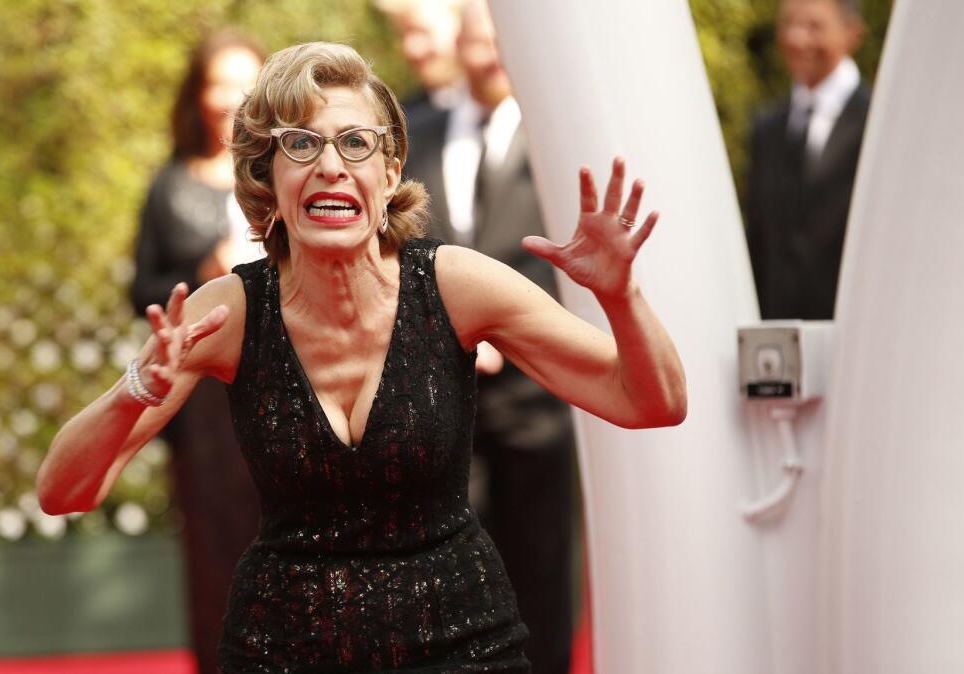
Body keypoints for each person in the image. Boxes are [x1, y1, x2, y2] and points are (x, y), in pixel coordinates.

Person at [38, 41, 686, 671]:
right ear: (269, 176)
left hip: (462, 647)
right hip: (282, 652)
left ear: (390, 171)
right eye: (300, 143)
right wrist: (136, 388)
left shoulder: (456, 286)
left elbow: (652, 402)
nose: (331, 165)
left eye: (355, 143)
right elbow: (63, 491)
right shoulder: (231, 311)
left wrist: (621, 295)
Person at [401, 2, 578, 670]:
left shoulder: (556, 138)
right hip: (442, 395)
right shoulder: (416, 133)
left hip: (539, 396)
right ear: (459, 48)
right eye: (478, 43)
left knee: (542, 565)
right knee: (447, 574)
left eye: (501, 44)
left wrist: (513, 331)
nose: (490, 56)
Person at [128, 30, 265, 674]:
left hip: (280, 383)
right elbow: (142, 290)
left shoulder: (288, 175)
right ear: (198, 95)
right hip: (201, 402)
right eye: (219, 84)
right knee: (213, 549)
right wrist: (201, 270)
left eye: (246, 82)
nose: (231, 100)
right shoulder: (169, 186)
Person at [746, 0, 869, 320]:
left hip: (856, 330)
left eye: (814, 26)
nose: (797, 39)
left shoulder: (878, 124)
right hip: (776, 340)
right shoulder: (766, 129)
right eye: (788, 24)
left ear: (852, 33)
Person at [375, 0, 465, 122]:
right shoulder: (401, 123)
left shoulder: (493, 111)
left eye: (422, 32)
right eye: (401, 35)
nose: (411, 49)